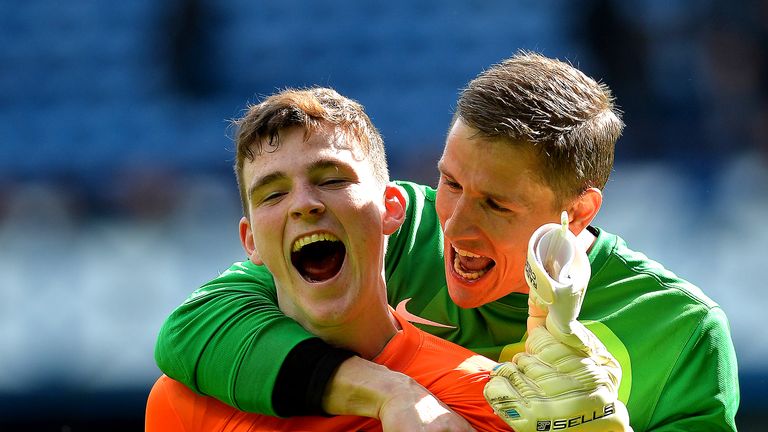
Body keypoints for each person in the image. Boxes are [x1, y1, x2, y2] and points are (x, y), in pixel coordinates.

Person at [154, 52, 739, 431]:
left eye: (494, 204)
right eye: (450, 182)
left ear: (578, 212)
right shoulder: (399, 225)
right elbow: (190, 328)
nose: (453, 224)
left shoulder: (682, 333)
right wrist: (390, 393)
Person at [146, 87, 512, 431]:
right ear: (251, 241)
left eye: (333, 180)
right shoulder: (184, 403)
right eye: (273, 195)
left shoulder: (481, 396)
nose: (304, 204)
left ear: (391, 208)